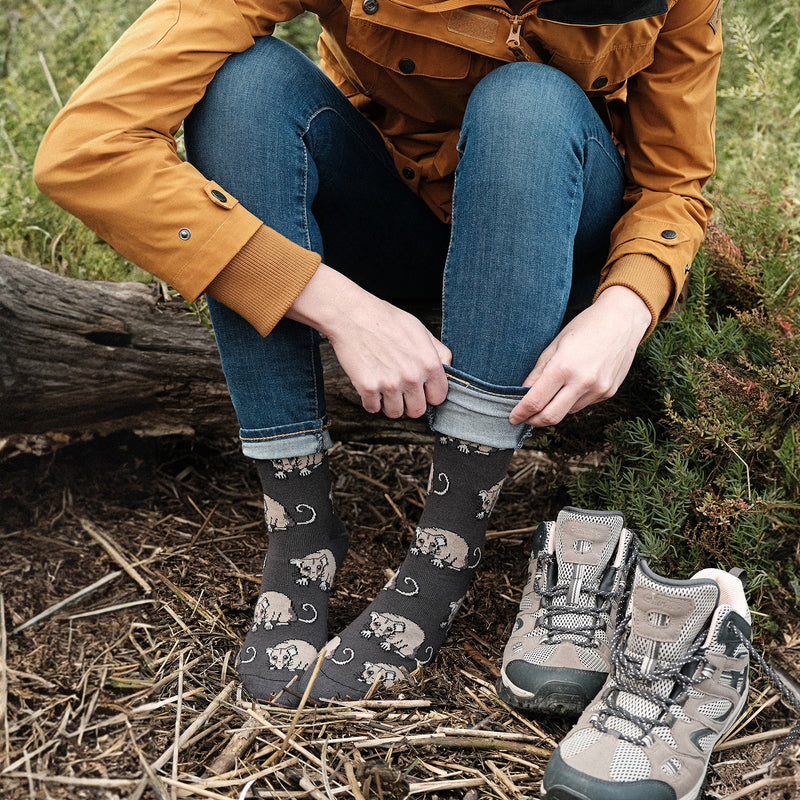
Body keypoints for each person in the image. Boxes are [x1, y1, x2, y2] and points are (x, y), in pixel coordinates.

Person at [35, 0, 748, 796]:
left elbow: (676, 181)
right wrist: (339, 306)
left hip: (551, 220)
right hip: (384, 221)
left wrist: (628, 307)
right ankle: (299, 530)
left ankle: (443, 554)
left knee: (530, 97)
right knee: (240, 87)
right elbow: (85, 152)